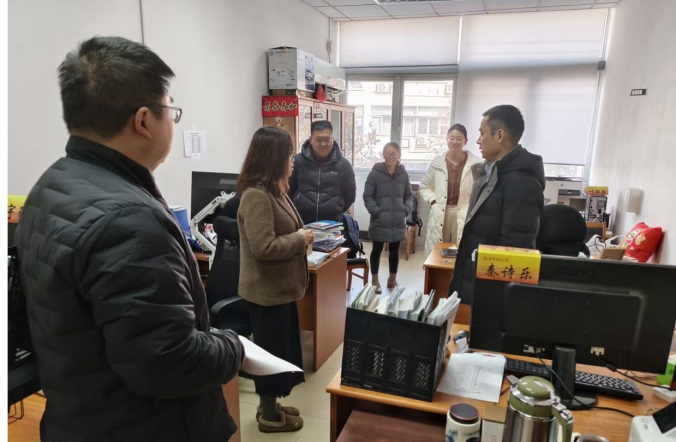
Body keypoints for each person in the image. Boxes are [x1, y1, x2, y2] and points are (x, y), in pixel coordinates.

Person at [15, 37, 244, 442]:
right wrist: (234, 346)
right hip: (144, 427)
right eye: (171, 111)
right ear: (143, 121)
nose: (173, 122)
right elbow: (169, 363)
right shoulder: (129, 221)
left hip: (77, 416)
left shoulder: (48, 187)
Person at [237, 126, 314, 434]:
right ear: (273, 157)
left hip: (281, 290)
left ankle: (270, 405)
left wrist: (300, 236)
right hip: (266, 294)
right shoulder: (256, 196)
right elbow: (263, 247)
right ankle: (269, 416)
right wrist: (299, 239)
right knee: (270, 356)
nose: (292, 161)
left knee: (281, 353)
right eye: (289, 155)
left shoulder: (274, 190)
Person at [449, 105, 545, 305]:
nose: (478, 141)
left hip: (489, 296)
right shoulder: (492, 173)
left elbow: (513, 254)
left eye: (482, 133)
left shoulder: (521, 183)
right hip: (474, 281)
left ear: (499, 135)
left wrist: (487, 303)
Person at [420, 123, 483, 258]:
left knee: (461, 250)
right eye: (451, 138)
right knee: (438, 251)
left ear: (465, 141)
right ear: (447, 139)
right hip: (441, 210)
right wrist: (434, 201)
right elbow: (424, 187)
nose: (455, 142)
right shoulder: (437, 162)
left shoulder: (477, 164)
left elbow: (482, 190)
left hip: (464, 211)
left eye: (459, 139)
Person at [363, 142, 415, 293]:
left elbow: (409, 196)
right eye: (388, 153)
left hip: (397, 219)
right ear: (383, 155)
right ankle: (374, 280)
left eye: (394, 154)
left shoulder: (403, 174)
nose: (390, 157)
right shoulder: (375, 173)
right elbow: (367, 196)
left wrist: (405, 210)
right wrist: (376, 211)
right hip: (379, 219)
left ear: (399, 156)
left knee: (394, 251)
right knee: (377, 250)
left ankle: (392, 279)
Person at [289, 120, 357, 224]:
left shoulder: (344, 165)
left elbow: (350, 195)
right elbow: (288, 190)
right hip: (301, 221)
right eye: (318, 140)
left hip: (332, 223)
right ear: (310, 140)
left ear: (333, 139)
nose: (323, 144)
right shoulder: (297, 161)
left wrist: (336, 209)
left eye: (327, 140)